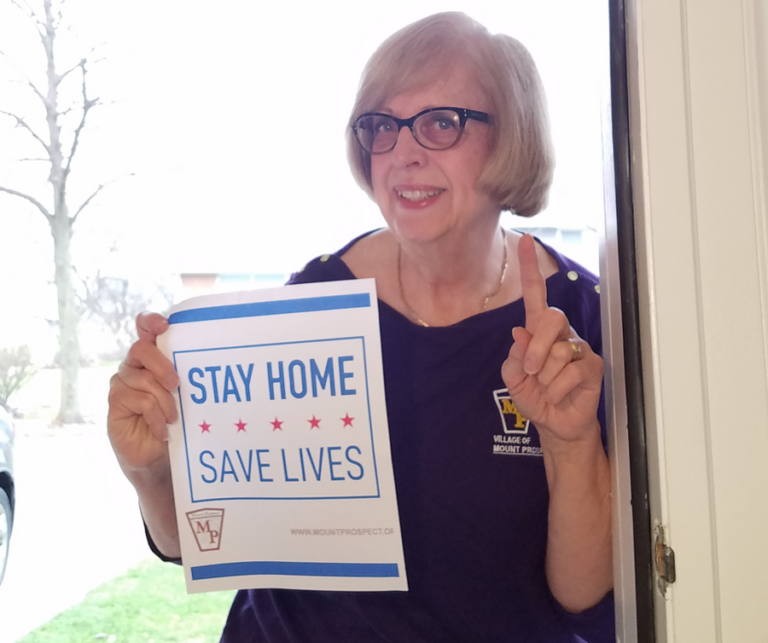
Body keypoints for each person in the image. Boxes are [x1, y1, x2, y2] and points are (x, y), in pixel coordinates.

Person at [107, 11, 614, 642]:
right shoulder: (315, 299)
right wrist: (151, 472)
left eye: (440, 123)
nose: (402, 154)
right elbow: (198, 541)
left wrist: (570, 445)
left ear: (511, 137)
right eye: (382, 127)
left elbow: (586, 604)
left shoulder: (578, 325)